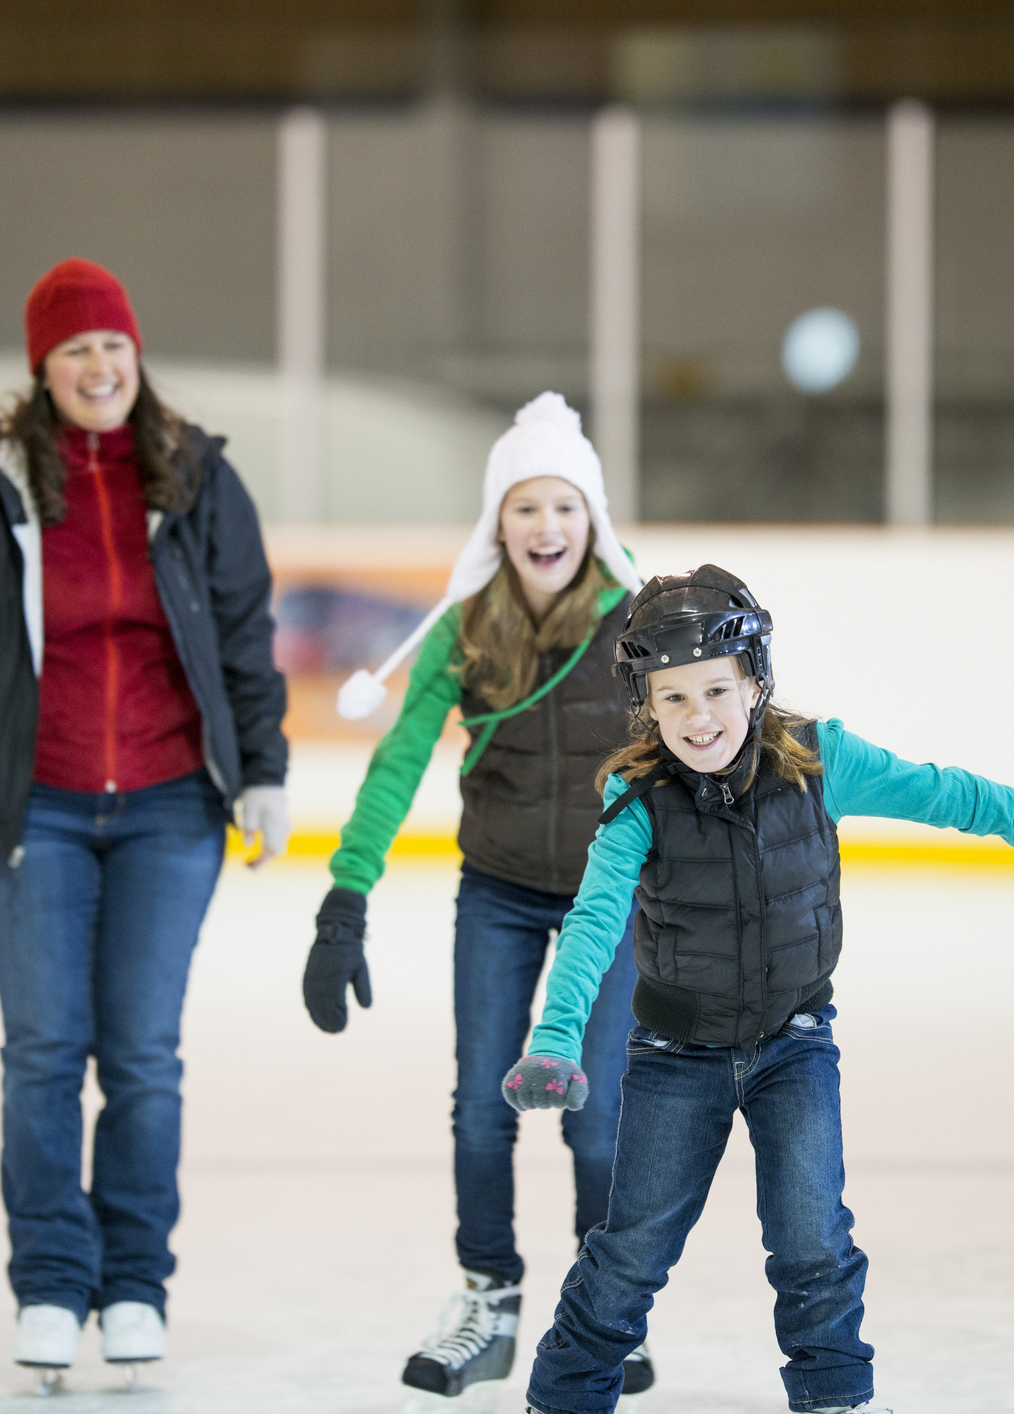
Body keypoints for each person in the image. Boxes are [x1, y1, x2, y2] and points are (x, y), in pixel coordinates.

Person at [499, 565, 1014, 1414]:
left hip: (793, 1044)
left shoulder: (821, 762)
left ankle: (834, 1397)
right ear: (646, 706)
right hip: (675, 1059)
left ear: (754, 681)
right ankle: (560, 1399)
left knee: (812, 1238)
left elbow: (945, 794)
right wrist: (554, 1039)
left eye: (714, 690)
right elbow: (592, 924)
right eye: (672, 700)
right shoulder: (638, 802)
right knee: (630, 1250)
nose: (698, 718)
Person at [0, 257, 290, 1391]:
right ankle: (54, 1286)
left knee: (145, 1060)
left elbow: (248, 639)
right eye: (73, 351)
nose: (97, 366)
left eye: (111, 345)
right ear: (41, 369)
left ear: (136, 355)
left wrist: (261, 771)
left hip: (171, 805)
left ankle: (134, 1287)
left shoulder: (201, 478)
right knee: (43, 1054)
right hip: (32, 812)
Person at [303, 393, 657, 1410]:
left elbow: (705, 740)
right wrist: (344, 900)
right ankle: (488, 1298)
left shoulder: (641, 624)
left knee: (596, 1122)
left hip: (608, 900)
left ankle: (603, 1307)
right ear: (494, 523)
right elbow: (399, 760)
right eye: (523, 508)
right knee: (478, 1111)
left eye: (564, 506)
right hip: (497, 892)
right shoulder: (466, 631)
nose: (545, 527)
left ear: (591, 517)